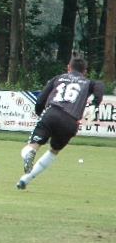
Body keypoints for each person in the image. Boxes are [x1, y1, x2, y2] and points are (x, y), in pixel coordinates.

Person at [16, 57, 104, 190]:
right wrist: (94, 104)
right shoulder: (88, 82)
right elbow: (100, 85)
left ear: (68, 68)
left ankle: (29, 153)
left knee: (32, 146)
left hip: (52, 112)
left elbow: (41, 99)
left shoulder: (58, 78)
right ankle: (25, 179)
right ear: (84, 71)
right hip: (70, 121)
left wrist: (41, 114)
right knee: (53, 151)